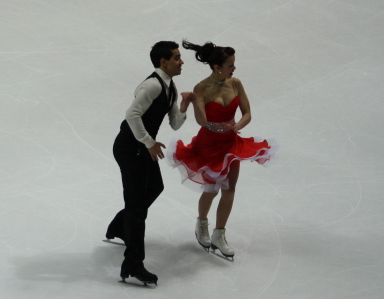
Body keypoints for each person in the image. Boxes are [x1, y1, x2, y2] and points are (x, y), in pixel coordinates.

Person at [167, 40, 277, 260]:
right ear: (217, 67)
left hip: (230, 143)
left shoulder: (236, 83)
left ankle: (219, 234)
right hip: (209, 144)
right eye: (230, 65)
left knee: (229, 189)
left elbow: (247, 113)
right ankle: (202, 225)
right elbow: (202, 121)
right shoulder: (202, 88)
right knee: (211, 189)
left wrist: (237, 126)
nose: (234, 68)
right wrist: (194, 102)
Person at [106, 41, 195, 285]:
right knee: (137, 209)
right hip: (129, 149)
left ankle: (120, 227)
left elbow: (175, 123)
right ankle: (132, 265)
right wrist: (149, 142)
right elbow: (132, 115)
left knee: (154, 187)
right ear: (163, 62)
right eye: (177, 58)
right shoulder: (152, 85)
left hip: (142, 149)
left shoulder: (170, 87)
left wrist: (184, 106)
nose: (181, 61)